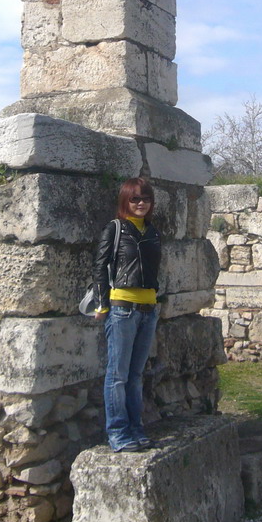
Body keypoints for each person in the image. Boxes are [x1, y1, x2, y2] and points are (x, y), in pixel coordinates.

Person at [93, 177, 161, 452]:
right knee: (118, 375)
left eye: (145, 198)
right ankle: (118, 432)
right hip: (122, 308)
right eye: (135, 199)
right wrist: (102, 303)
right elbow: (100, 266)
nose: (141, 203)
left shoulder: (153, 231)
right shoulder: (116, 228)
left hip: (148, 309)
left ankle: (136, 427)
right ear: (125, 202)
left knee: (136, 375)